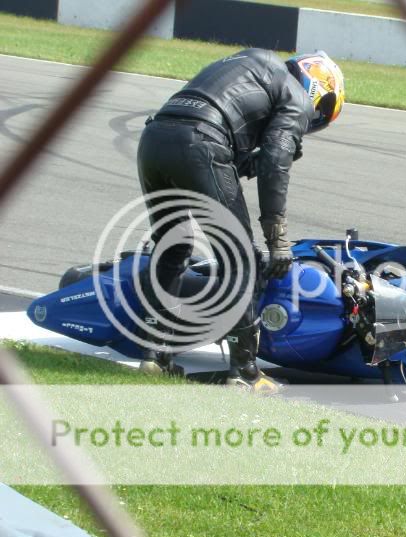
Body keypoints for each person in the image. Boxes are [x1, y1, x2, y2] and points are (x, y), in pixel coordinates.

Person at [135, 48, 345, 391]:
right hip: (199, 141)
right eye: (320, 112)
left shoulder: (253, 64)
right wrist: (278, 240)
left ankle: (153, 357)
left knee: (172, 249)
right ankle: (245, 372)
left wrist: (249, 158)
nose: (313, 120)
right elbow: (275, 163)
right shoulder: (295, 96)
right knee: (241, 259)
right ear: (319, 90)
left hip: (155, 139)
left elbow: (229, 130)